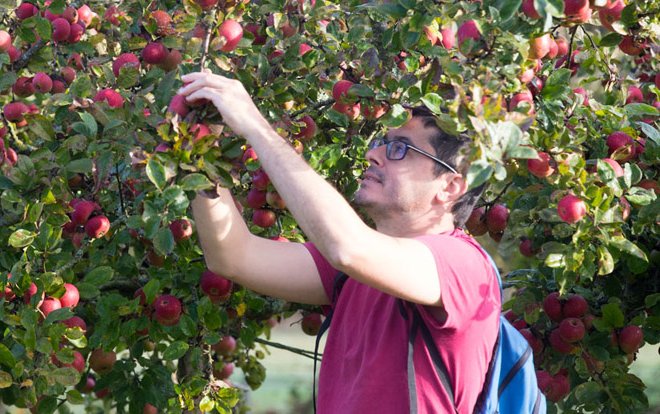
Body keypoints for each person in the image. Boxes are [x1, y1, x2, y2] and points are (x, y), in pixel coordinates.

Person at [178, 71, 501, 413]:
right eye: (382, 142)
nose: (374, 155)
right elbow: (233, 256)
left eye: (400, 149)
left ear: (450, 187)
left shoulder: (463, 265)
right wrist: (198, 151)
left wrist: (255, 126)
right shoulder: (355, 273)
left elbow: (347, 248)